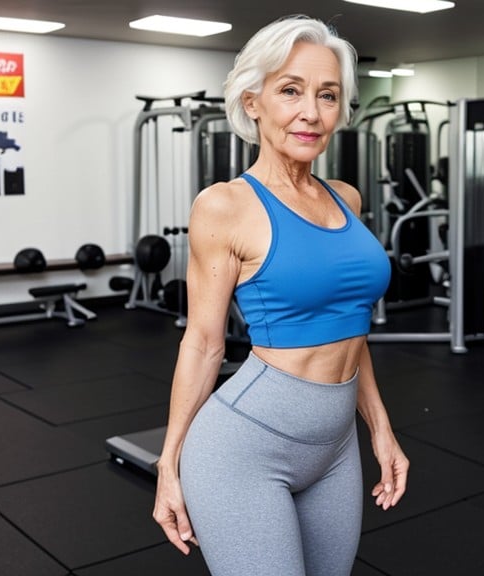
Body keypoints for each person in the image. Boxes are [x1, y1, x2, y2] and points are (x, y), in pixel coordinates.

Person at [152, 15, 408, 576]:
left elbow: (352, 330)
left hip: (336, 448)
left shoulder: (347, 199)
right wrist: (168, 463)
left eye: (327, 95)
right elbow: (202, 343)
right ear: (253, 101)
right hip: (244, 448)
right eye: (290, 90)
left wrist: (380, 429)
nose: (310, 113)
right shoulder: (224, 206)